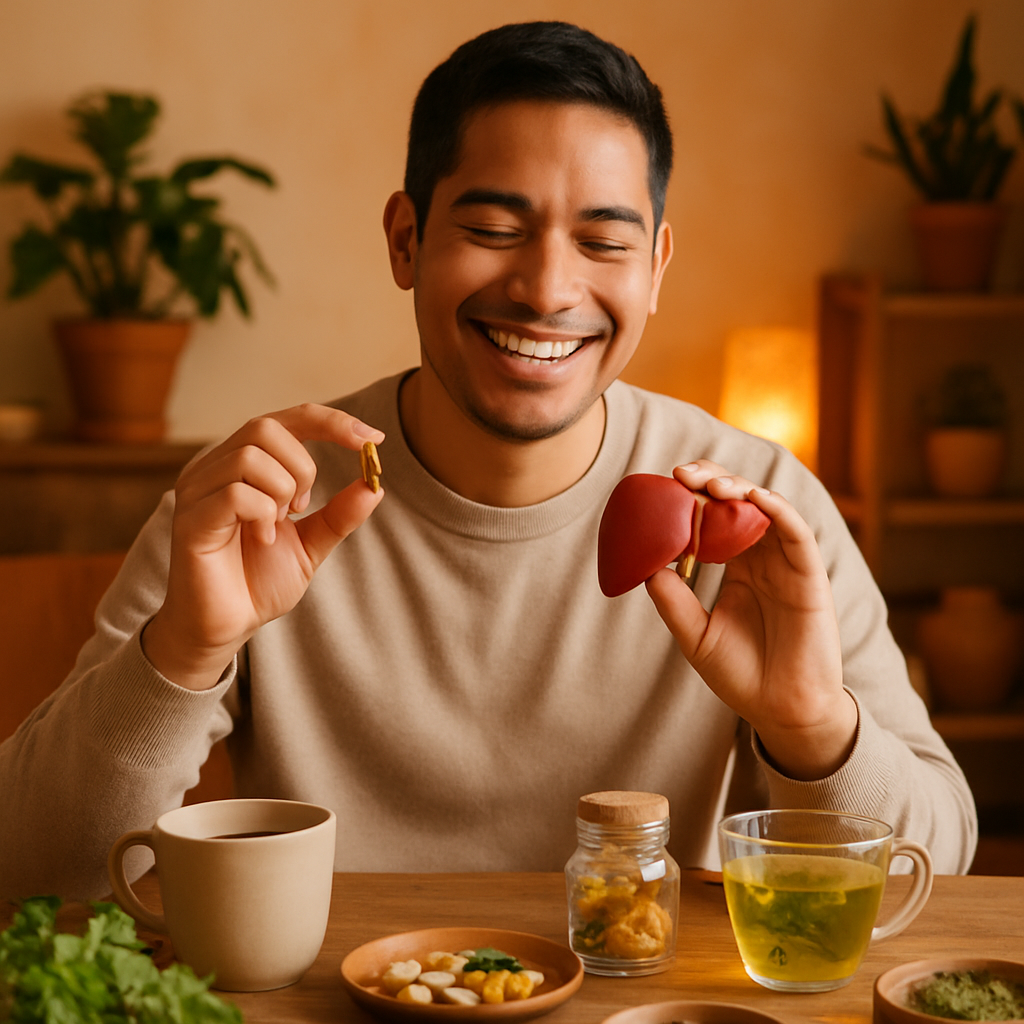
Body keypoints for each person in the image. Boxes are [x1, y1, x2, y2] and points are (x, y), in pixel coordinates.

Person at [0, 21, 975, 900]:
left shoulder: (753, 512)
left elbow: (936, 867)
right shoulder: (258, 504)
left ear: (654, 269)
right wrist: (183, 653)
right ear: (406, 239)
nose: (547, 289)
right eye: (493, 230)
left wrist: (810, 727)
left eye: (603, 241)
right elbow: (30, 873)